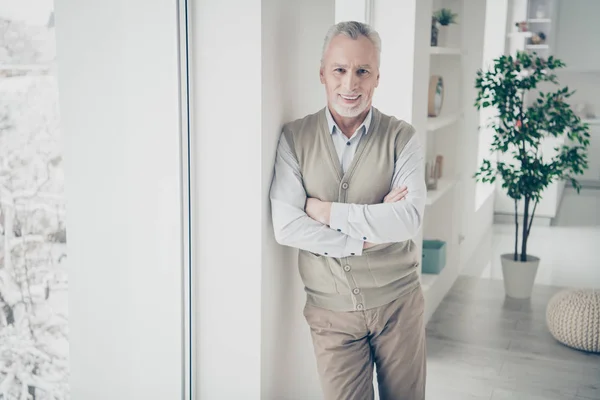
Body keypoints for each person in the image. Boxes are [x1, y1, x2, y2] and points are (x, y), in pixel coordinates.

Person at [269, 20, 427, 400]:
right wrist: (366, 239)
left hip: (398, 306)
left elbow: (409, 218)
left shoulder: (401, 138)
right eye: (339, 70)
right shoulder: (294, 138)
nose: (350, 84)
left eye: (362, 71)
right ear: (322, 73)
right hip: (330, 315)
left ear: (376, 78)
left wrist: (326, 212)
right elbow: (287, 227)